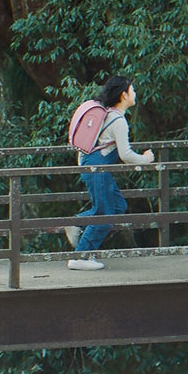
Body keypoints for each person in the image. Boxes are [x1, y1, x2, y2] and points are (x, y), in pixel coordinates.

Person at [66, 76, 154, 270]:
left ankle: (77, 222)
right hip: (98, 169)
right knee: (105, 213)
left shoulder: (108, 114)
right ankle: (80, 257)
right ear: (124, 95)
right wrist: (146, 159)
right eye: (132, 90)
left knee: (117, 206)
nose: (135, 94)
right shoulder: (118, 121)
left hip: (95, 167)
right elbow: (126, 154)